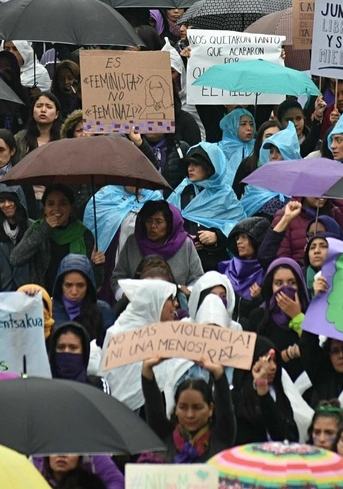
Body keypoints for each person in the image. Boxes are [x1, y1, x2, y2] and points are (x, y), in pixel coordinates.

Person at [167, 144, 246, 272]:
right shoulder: (183, 190)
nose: (190, 169)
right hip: (184, 262)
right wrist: (184, 239)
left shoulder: (225, 195)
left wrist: (217, 236)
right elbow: (169, 219)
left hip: (216, 264)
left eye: (196, 164)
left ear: (210, 167)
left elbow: (239, 226)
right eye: (188, 164)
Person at [142, 353, 234, 463]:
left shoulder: (221, 436)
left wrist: (218, 373)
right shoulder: (164, 436)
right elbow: (152, 404)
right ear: (175, 408)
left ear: (210, 408)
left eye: (197, 408)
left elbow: (225, 405)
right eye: (183, 407)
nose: (190, 414)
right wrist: (147, 368)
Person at [104, 279, 178, 410]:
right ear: (154, 301)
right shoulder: (118, 334)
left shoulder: (169, 336)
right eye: (170, 299)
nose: (176, 304)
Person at [112, 199, 202, 300]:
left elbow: (197, 277)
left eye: (159, 222)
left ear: (169, 225)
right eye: (149, 221)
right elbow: (118, 277)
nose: (152, 226)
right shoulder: (133, 243)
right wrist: (124, 294)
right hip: (137, 304)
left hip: (177, 305)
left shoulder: (185, 244)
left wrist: (187, 291)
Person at [19, 185, 101, 291]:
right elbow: (17, 258)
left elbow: (96, 282)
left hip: (74, 298)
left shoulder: (84, 233)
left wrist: (98, 264)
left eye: (63, 203)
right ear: (44, 208)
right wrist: (44, 229)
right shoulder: (37, 229)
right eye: (51, 204)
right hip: (43, 299)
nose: (56, 208)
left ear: (71, 207)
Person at [233, 338, 299, 444]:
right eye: (268, 361)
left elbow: (285, 436)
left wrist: (263, 391)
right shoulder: (236, 398)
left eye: (275, 361)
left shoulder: (280, 396)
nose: (273, 367)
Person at [52, 254, 116, 345]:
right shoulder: (48, 311)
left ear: (88, 286)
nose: (74, 291)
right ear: (60, 285)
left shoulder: (103, 311)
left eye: (80, 285)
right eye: (68, 285)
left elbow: (111, 348)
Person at [48, 322, 106, 392]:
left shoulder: (97, 386)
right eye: (61, 347)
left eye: (73, 348)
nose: (66, 351)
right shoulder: (45, 387)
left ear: (84, 352)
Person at [33, 454, 124, 489]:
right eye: (54, 449)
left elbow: (116, 481)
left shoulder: (95, 457)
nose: (62, 455)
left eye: (69, 450)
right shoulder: (36, 463)